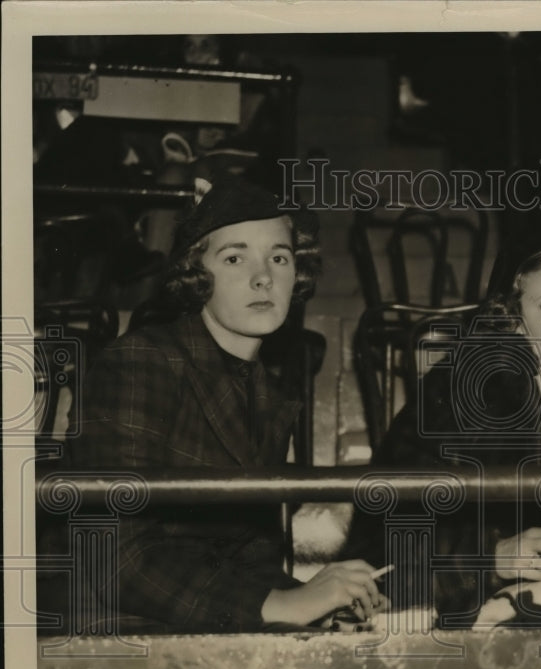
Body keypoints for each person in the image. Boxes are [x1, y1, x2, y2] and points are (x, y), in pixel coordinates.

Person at [65, 176, 386, 633]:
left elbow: (246, 555)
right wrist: (284, 605)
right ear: (197, 274)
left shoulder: (264, 393)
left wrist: (313, 600)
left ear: (298, 273)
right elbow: (114, 556)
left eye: (279, 257)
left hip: (190, 621)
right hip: (108, 627)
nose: (263, 277)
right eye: (235, 258)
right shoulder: (140, 360)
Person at [343, 247, 541, 625]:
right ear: (515, 321)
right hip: (425, 601)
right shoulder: (460, 393)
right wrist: (493, 557)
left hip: (534, 599)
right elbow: (391, 542)